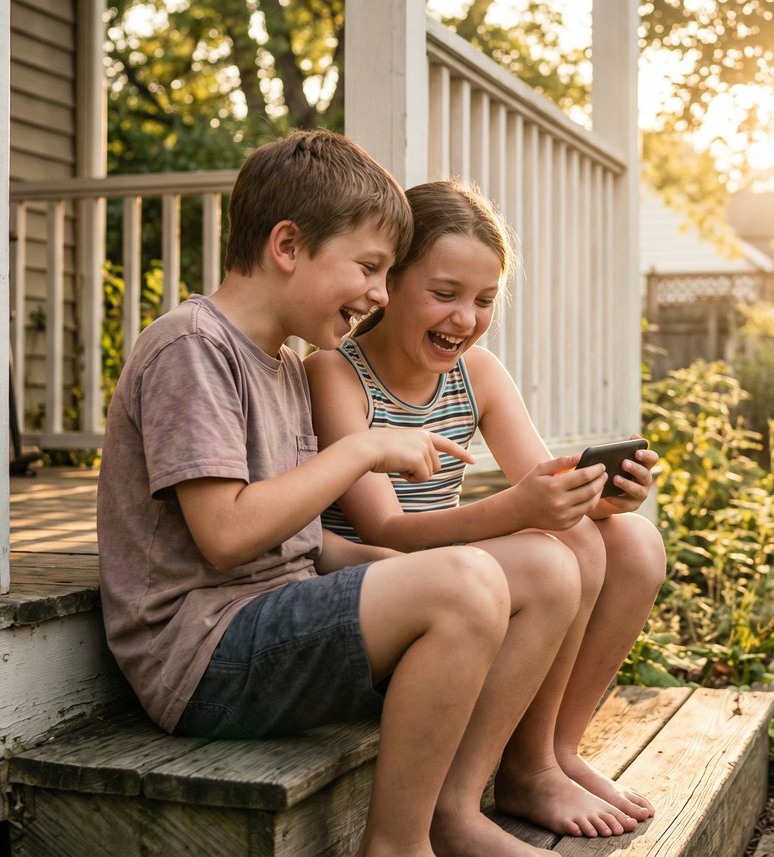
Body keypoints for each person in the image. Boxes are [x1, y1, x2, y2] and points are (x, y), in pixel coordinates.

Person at [97, 131, 584, 857]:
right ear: (288, 245)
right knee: (463, 582)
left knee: (543, 567)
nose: (381, 295)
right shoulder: (190, 347)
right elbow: (226, 535)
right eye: (370, 268)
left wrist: (390, 567)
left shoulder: (285, 366)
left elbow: (301, 540)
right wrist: (363, 449)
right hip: (203, 656)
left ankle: (460, 805)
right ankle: (397, 845)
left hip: (274, 619)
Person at [306, 178, 667, 841]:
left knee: (631, 542)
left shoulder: (477, 373)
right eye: (444, 294)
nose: (464, 318)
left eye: (483, 299)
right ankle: (469, 795)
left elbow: (544, 484)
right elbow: (385, 527)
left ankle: (549, 753)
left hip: (457, 575)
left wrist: (600, 495)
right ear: (389, 283)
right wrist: (526, 507)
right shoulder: (335, 372)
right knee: (563, 552)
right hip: (383, 588)